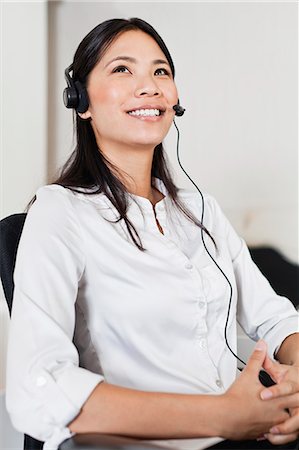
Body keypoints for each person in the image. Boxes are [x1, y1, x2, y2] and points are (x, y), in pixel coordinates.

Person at [6, 17, 299, 450]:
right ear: (80, 100)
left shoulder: (199, 209)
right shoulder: (60, 212)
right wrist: (226, 415)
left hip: (243, 434)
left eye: (161, 71)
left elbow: (275, 318)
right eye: (122, 69)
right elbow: (39, 386)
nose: (150, 86)